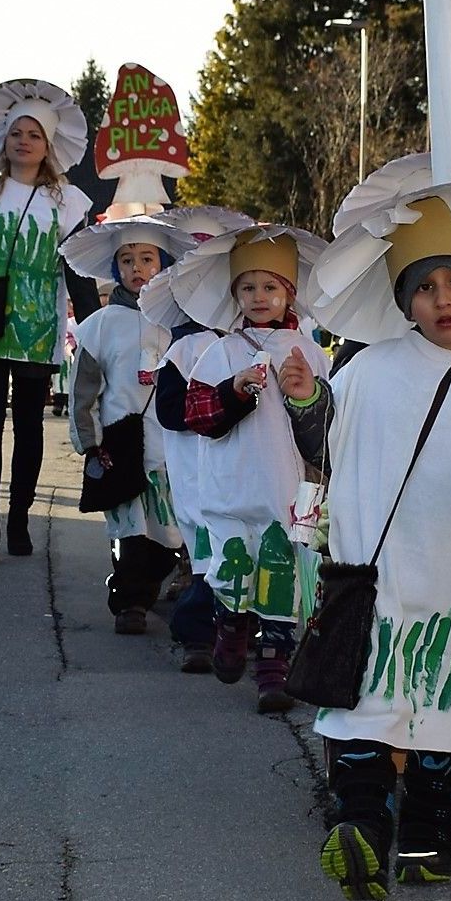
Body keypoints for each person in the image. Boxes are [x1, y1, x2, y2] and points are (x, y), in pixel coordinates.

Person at [286, 161, 451, 899]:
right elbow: (322, 450)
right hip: (372, 577)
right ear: (405, 300)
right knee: (365, 712)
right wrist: (308, 401)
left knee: (441, 717)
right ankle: (364, 833)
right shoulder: (366, 370)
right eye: (427, 286)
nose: (444, 298)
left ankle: (428, 843)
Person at [159, 223, 328, 713]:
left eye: (270, 286)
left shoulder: (309, 352)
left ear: (288, 293)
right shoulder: (220, 352)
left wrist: (308, 395)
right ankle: (231, 626)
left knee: (282, 581)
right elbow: (196, 416)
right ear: (235, 294)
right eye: (248, 287)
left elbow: (328, 428)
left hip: (287, 490)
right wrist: (231, 392)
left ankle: (273, 668)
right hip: (231, 489)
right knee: (232, 576)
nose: (258, 296)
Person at [0, 79, 93, 562]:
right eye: (17, 133)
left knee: (30, 426)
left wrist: (93, 325)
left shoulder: (67, 201)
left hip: (40, 329)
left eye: (34, 134)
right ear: (5, 139)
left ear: (48, 144)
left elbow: (77, 270)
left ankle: (19, 519)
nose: (24, 141)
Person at [60, 216, 193, 634]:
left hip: (171, 448)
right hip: (119, 445)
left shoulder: (179, 324)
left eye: (147, 259)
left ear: (164, 264)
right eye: (127, 260)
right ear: (116, 269)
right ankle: (130, 602)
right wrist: (89, 440)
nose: (138, 268)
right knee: (131, 531)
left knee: (168, 536)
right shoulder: (99, 325)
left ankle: (144, 585)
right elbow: (83, 389)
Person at [147, 207, 254, 673]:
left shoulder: (258, 345)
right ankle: (197, 632)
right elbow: (170, 412)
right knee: (210, 552)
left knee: (251, 550)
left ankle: (247, 632)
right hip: (198, 470)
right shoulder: (184, 350)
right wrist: (217, 402)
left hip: (249, 469)